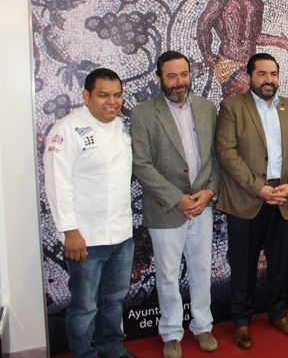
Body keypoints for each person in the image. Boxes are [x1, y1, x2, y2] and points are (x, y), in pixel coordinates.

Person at [216, 53, 288, 350]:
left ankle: (278, 314)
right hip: (247, 200)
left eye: (273, 74)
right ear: (250, 76)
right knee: (243, 265)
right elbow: (226, 153)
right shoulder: (232, 106)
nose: (268, 80)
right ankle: (241, 322)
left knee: (281, 264)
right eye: (262, 74)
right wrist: (259, 188)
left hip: (285, 198)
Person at [44, 68, 138, 358]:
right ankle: (84, 354)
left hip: (121, 235)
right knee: (85, 306)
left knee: (114, 298)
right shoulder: (66, 130)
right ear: (86, 96)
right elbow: (58, 184)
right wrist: (70, 231)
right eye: (103, 95)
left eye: (117, 95)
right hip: (85, 238)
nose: (112, 101)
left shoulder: (122, 127)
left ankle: (112, 348)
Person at [131, 51, 219, 358]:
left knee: (201, 269)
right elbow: (141, 164)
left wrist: (210, 191)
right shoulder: (143, 113)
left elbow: (215, 157)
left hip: (202, 205)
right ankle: (170, 332)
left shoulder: (207, 108)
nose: (179, 82)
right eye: (171, 76)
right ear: (159, 78)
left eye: (184, 74)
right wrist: (177, 198)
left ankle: (203, 326)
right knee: (168, 275)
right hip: (165, 208)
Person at [196, 0, 288, 95]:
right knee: (249, 88)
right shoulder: (221, 2)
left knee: (248, 98)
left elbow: (255, 37)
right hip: (228, 63)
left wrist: (281, 42)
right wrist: (208, 56)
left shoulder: (257, 5)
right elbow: (203, 26)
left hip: (249, 65)